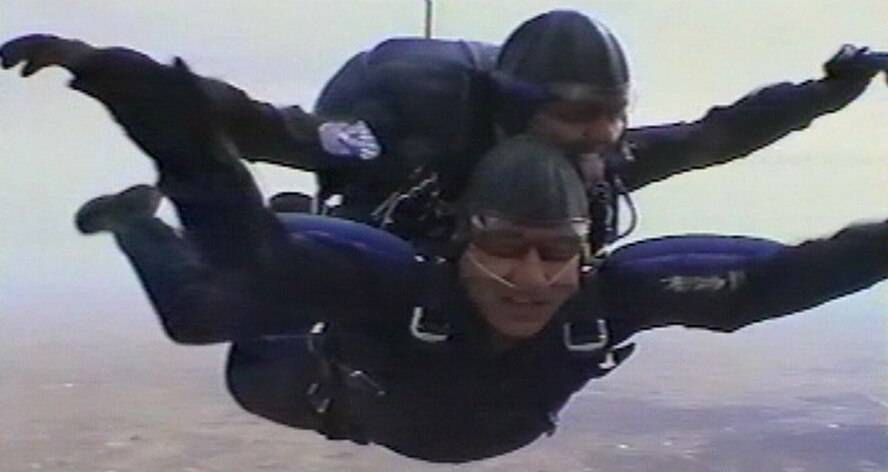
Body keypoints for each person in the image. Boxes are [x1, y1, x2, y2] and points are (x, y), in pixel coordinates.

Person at [70, 61, 888, 462]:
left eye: (555, 252)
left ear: (588, 249)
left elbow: (799, 271)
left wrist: (817, 96)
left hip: (466, 413)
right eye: (504, 248)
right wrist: (174, 130)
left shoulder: (613, 290)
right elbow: (248, 228)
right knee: (208, 309)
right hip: (309, 388)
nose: (531, 279)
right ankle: (135, 222)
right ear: (461, 241)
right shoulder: (396, 282)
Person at [3, 10, 886, 252]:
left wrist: (828, 90)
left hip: (478, 243)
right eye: (576, 115)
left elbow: (715, 134)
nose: (599, 137)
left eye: (613, 113)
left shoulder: (600, 157)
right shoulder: (404, 133)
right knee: (269, 272)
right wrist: (104, 65)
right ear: (509, 105)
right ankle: (161, 225)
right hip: (392, 205)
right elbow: (264, 125)